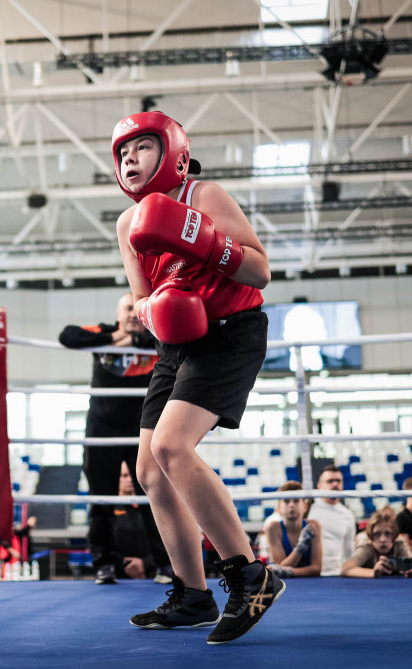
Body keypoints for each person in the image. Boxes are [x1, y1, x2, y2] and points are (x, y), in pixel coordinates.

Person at [113, 110, 282, 645]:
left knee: (172, 448)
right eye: (122, 153)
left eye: (141, 147)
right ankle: (192, 595)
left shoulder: (204, 196)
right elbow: (140, 297)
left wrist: (207, 245)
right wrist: (154, 310)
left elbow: (259, 270)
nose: (130, 159)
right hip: (176, 342)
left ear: (173, 153)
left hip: (231, 331)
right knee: (150, 469)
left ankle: (250, 576)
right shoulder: (127, 224)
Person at [58, 293, 169, 585]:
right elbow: (67, 336)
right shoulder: (104, 332)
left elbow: (161, 342)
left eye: (137, 309)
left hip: (141, 428)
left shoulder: (155, 334)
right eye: (128, 308)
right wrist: (115, 337)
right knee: (101, 499)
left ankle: (164, 564)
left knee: (153, 496)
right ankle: (104, 564)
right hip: (101, 429)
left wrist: (132, 341)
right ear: (118, 314)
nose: (133, 314)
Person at [263, 481, 322, 578]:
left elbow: (316, 569)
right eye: (286, 501)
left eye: (296, 500)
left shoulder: (313, 525)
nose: (291, 505)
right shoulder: (273, 528)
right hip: (285, 585)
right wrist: (300, 546)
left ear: (305, 506)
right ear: (278, 508)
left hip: (310, 584)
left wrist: (287, 571)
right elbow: (280, 569)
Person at [306, 466, 357, 577]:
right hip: (309, 574)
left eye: (338, 481)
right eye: (330, 481)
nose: (335, 484)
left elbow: (349, 550)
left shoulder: (348, 515)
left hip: (337, 575)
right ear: (319, 486)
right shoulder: (308, 509)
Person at [342, 509, 412, 578]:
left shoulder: (399, 543)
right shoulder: (366, 547)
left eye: (387, 533)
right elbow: (345, 569)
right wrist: (373, 572)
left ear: (394, 536)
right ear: (371, 537)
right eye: (377, 534)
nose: (383, 539)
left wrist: (411, 570)